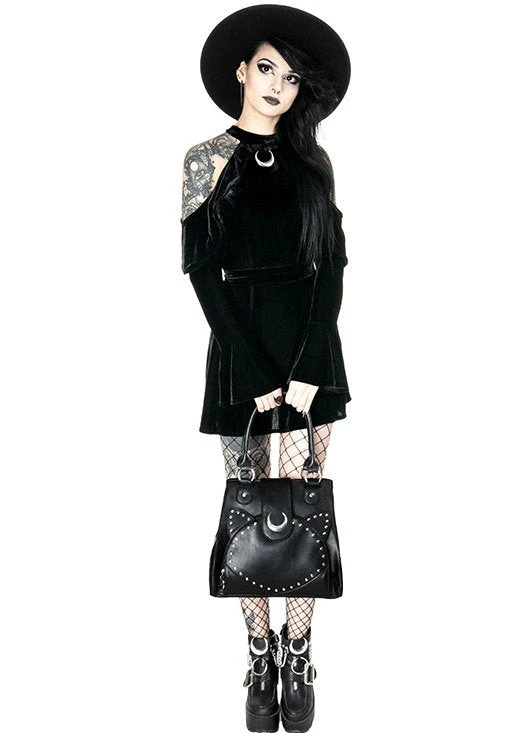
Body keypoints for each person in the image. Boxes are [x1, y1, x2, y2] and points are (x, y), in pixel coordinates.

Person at [180, 5, 351, 732]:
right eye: (267, 68)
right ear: (242, 72)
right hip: (239, 346)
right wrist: (251, 367)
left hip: (312, 344)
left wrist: (310, 362)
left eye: (291, 76)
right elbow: (201, 271)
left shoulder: (314, 161)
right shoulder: (205, 158)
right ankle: (258, 653)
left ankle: (299, 652)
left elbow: (332, 266)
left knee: (304, 504)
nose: (278, 85)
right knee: (249, 505)